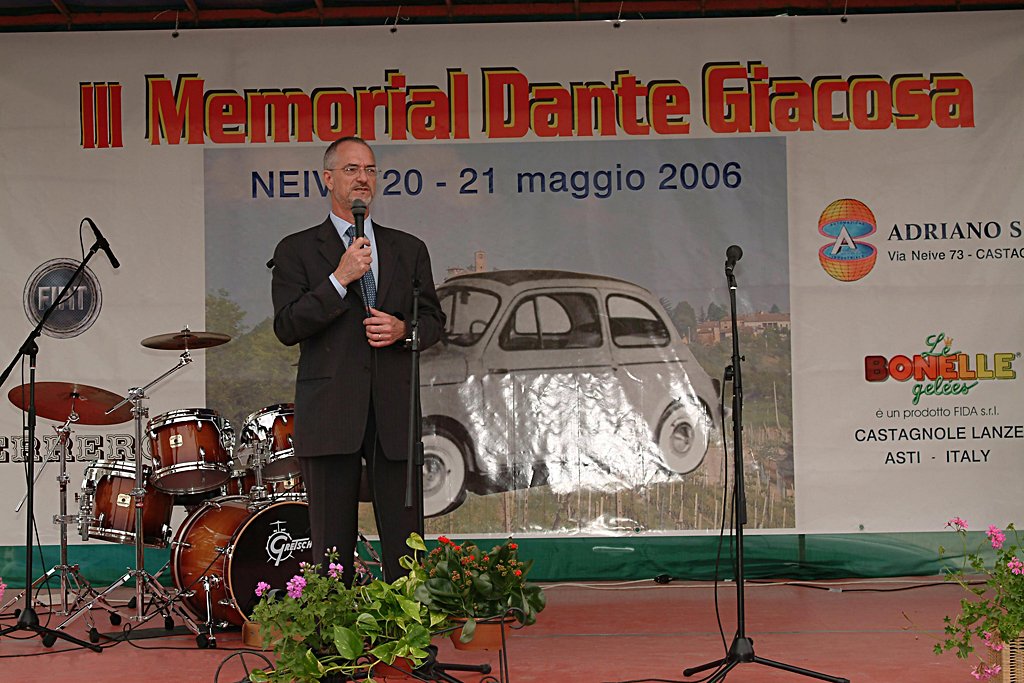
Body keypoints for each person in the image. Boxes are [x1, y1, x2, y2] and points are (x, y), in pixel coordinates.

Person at [270, 136, 444, 584]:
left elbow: (435, 322)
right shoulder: (297, 249)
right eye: (350, 169)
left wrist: (404, 330)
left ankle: (408, 640)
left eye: (369, 169)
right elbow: (287, 326)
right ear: (328, 179)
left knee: (405, 541)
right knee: (331, 541)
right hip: (330, 411)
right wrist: (339, 279)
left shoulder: (409, 248)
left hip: (394, 411)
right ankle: (331, 645)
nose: (362, 178)